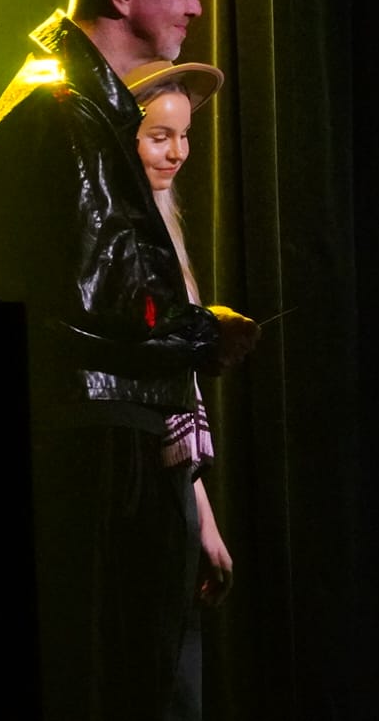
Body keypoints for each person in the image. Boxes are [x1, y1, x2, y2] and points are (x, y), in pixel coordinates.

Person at [0, 0, 258, 719]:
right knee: (122, 679)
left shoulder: (82, 102)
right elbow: (102, 298)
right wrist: (200, 333)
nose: (197, 5)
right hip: (97, 439)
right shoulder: (66, 106)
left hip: (106, 431)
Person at [123, 60, 237, 719]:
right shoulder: (120, 238)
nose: (177, 152)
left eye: (184, 135)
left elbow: (182, 398)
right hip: (137, 479)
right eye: (159, 136)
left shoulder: (168, 229)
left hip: (173, 484)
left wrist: (205, 520)